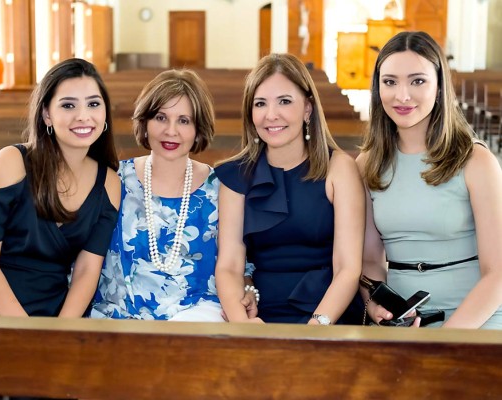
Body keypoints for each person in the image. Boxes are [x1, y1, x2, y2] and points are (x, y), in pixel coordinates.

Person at [356, 31, 502, 329]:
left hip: (476, 316)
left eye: (417, 81)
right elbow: (370, 262)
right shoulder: (366, 165)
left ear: (438, 88)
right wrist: (375, 305)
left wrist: (443, 339)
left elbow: (497, 272)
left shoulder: (475, 161)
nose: (402, 95)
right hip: (402, 320)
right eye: (390, 82)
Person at [91, 69, 256, 321]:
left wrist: (247, 289)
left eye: (184, 120)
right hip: (117, 316)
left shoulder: (219, 188)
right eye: (160, 117)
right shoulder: (115, 179)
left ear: (198, 129)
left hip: (197, 316)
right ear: (144, 123)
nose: (171, 131)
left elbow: (236, 264)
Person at [214, 53, 366, 324]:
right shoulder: (236, 175)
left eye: (284, 101)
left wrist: (316, 327)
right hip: (260, 313)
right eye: (260, 104)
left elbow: (348, 268)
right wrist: (244, 327)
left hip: (328, 312)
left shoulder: (338, 168)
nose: (271, 115)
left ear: (307, 108)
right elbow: (229, 266)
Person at [0, 58, 121, 317]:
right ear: (47, 114)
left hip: (54, 311)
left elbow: (87, 269)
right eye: (68, 105)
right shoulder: (12, 162)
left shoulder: (108, 182)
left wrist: (61, 329)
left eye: (93, 104)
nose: (83, 116)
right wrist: (26, 331)